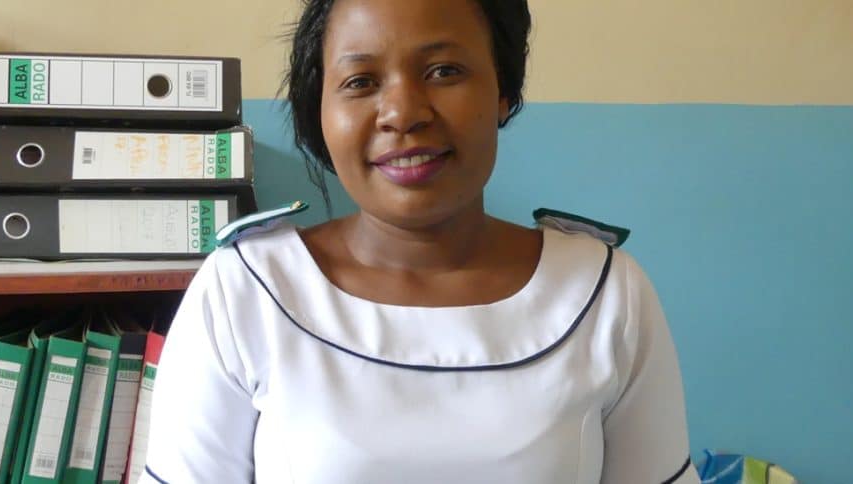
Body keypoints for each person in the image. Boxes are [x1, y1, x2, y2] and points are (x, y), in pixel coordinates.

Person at [139, 0, 698, 482]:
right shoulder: (245, 291)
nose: (403, 113)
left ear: (504, 90)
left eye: (444, 70)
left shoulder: (605, 292)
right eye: (360, 82)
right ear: (321, 110)